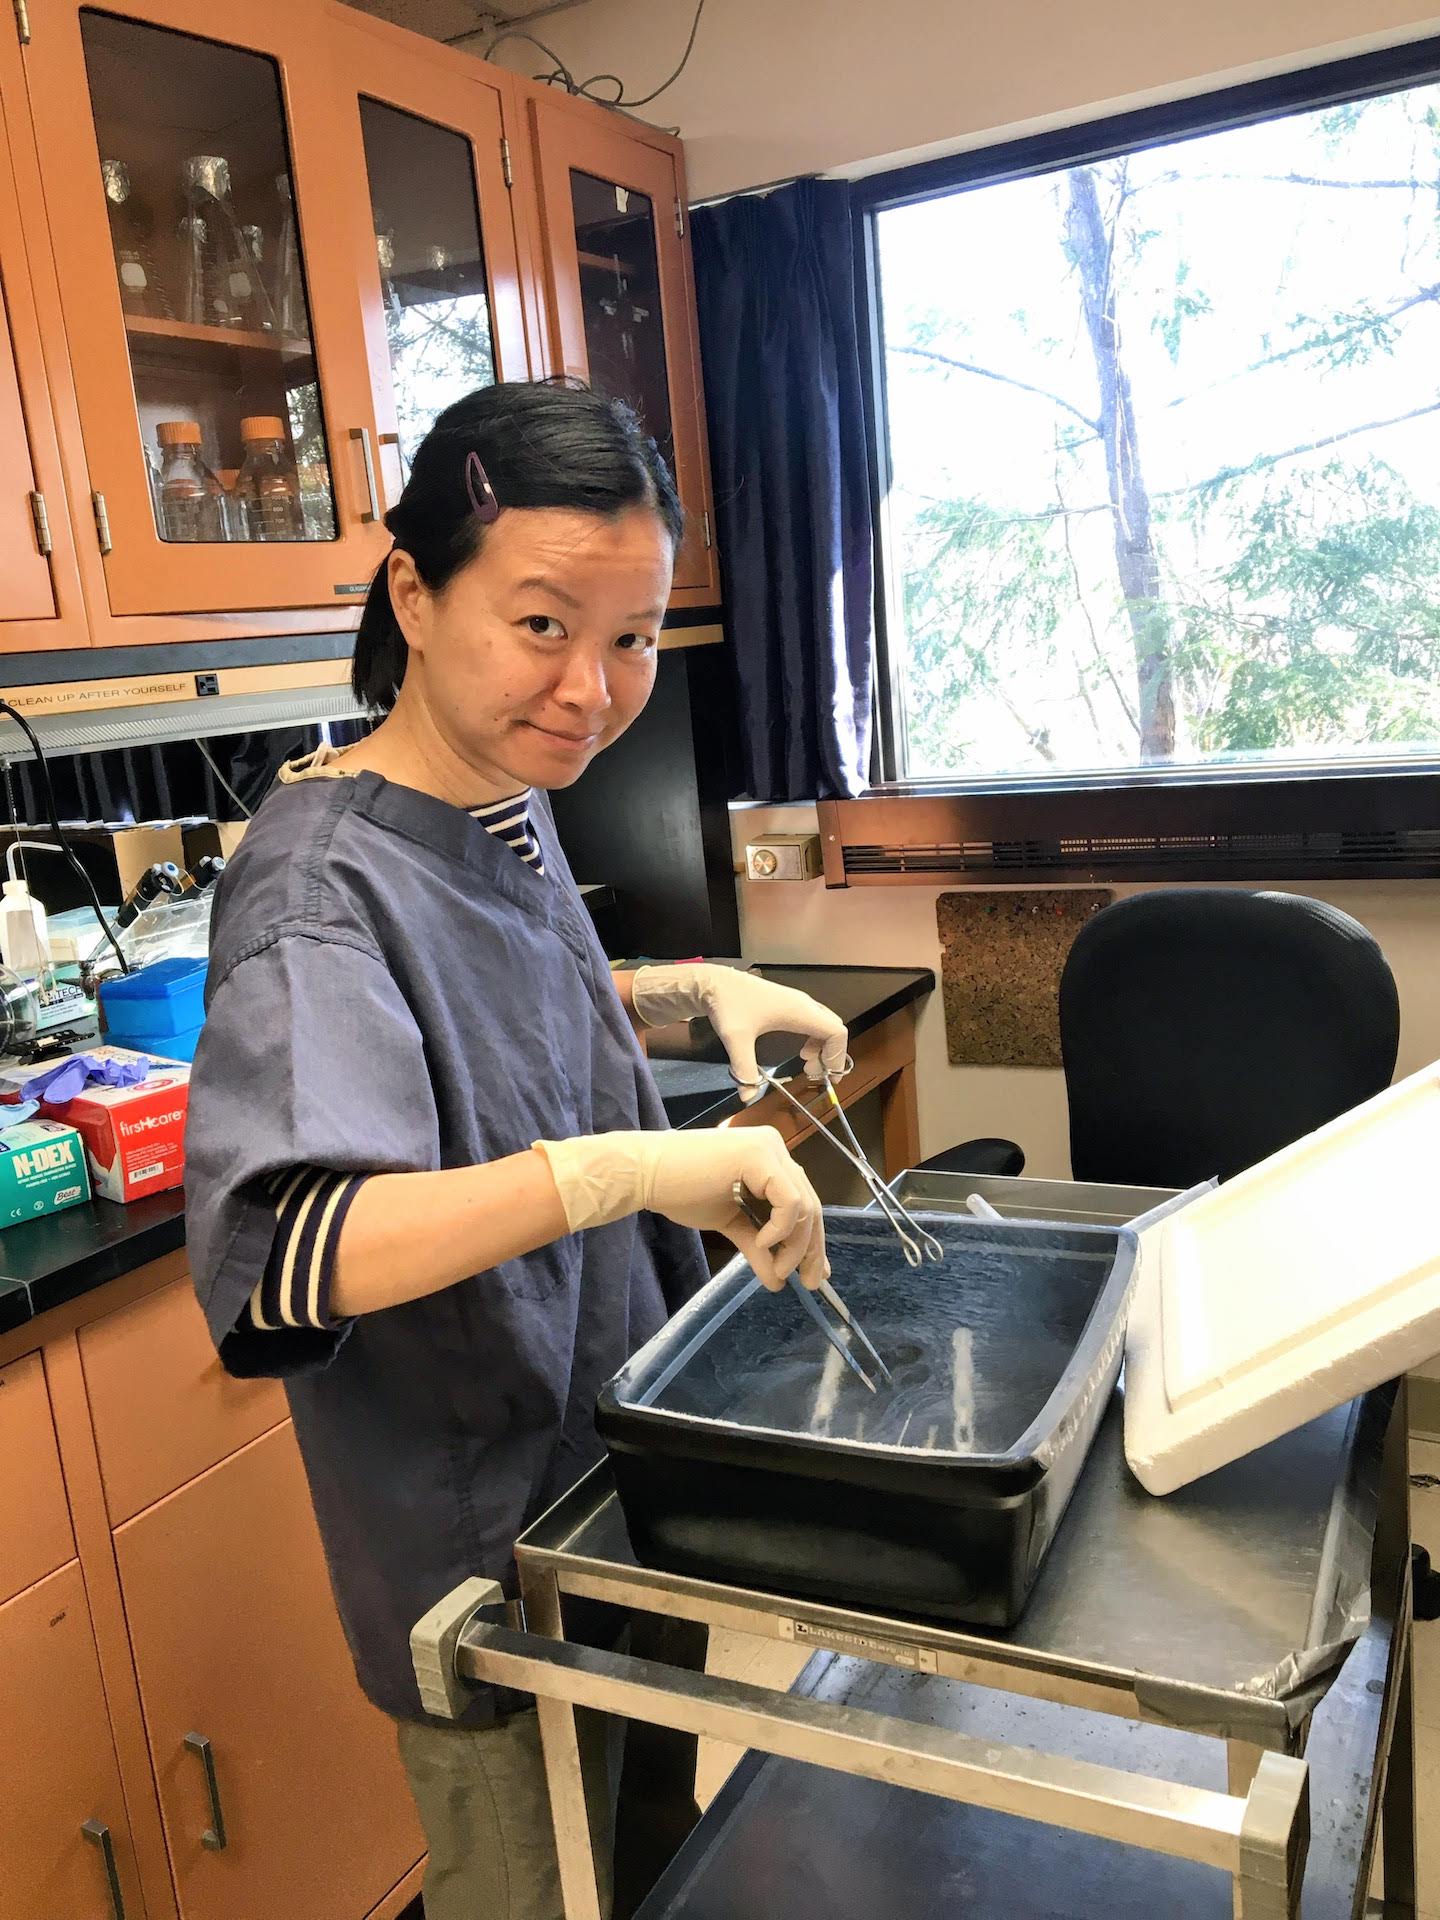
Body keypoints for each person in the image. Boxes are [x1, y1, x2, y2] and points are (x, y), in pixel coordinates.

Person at [185, 380, 851, 1920]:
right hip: (486, 1543)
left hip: (610, 1469)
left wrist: (687, 1000)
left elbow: (493, 1018)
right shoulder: (312, 888)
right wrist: (627, 1173)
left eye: (627, 639)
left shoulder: (504, 793)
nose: (593, 690)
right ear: (414, 592)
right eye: (543, 625)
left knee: (644, 1867)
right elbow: (296, 1248)